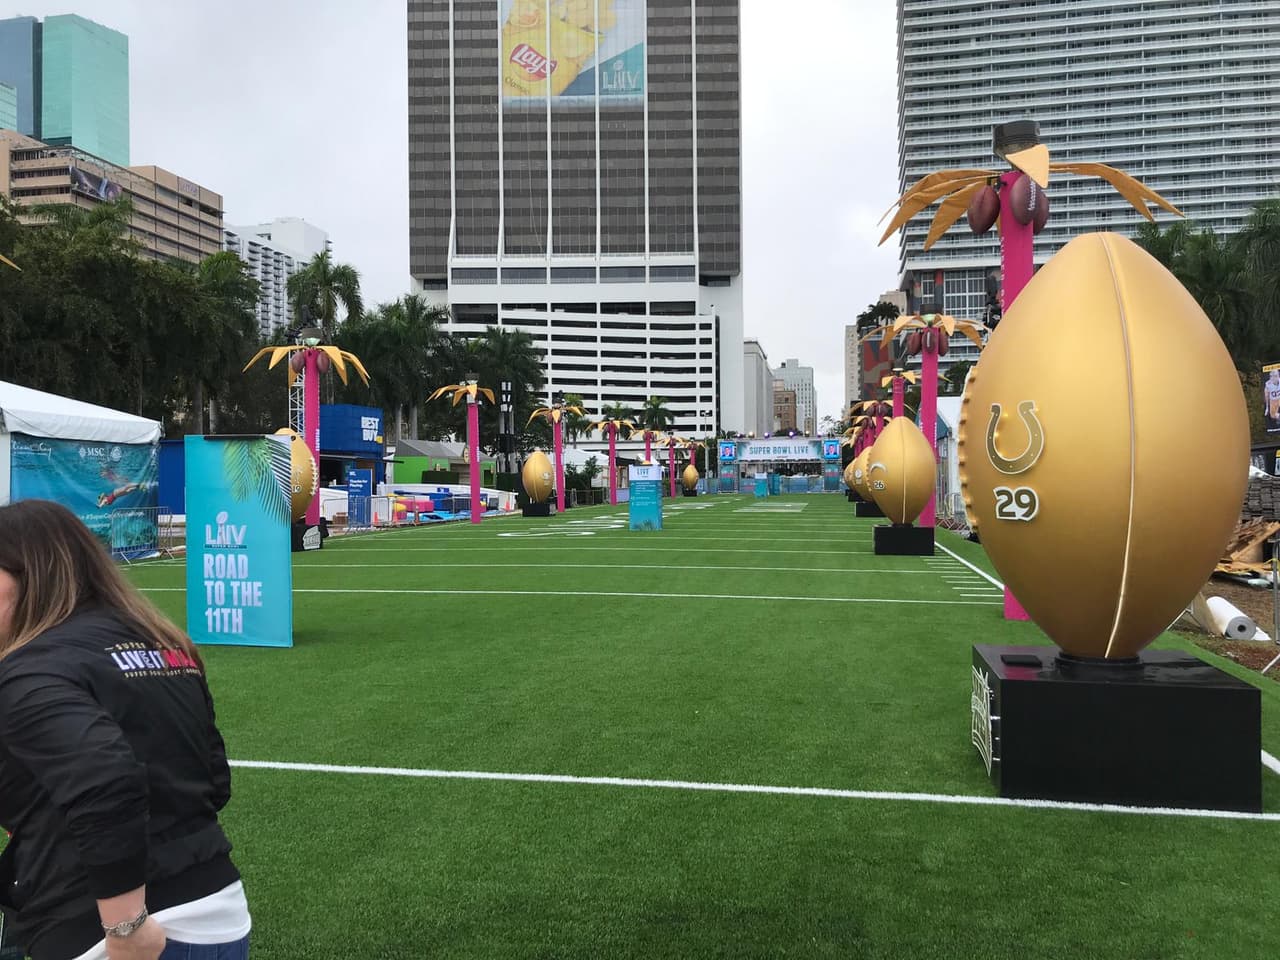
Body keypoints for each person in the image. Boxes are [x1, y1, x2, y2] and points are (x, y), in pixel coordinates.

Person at [0, 500, 250, 960]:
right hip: (217, 908)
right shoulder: (164, 642)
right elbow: (213, 780)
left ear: (29, 575)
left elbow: (106, 780)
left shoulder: (30, 669)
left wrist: (126, 926)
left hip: (114, 931)